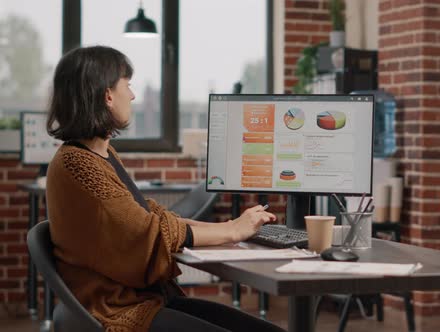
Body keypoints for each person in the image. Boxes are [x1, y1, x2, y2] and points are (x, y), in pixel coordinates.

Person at [45, 45, 283, 332]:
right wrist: (233, 230)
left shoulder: (100, 155)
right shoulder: (77, 163)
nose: (132, 96)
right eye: (127, 85)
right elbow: (148, 235)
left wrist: (233, 225)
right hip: (121, 311)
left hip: (145, 300)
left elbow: (150, 219)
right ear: (108, 95)